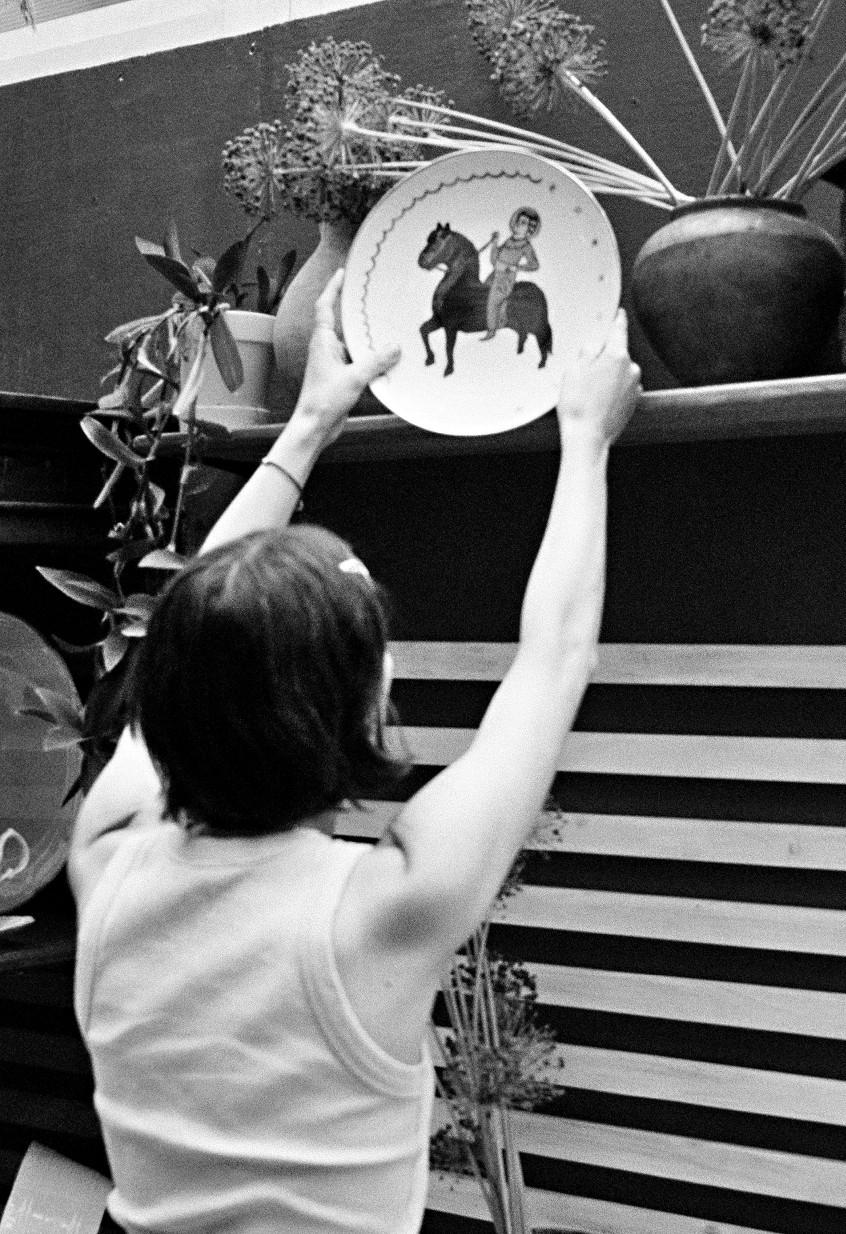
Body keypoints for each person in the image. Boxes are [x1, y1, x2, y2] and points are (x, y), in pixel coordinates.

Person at [69, 269, 641, 1234]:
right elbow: (555, 659)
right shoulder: (386, 906)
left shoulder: (108, 850)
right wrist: (586, 441)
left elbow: (188, 628)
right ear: (365, 711)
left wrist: (308, 424)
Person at [483, 207, 541, 340]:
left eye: (524, 223)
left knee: (493, 301)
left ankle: (492, 330)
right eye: (519, 221)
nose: (519, 224)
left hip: (506, 279)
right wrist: (495, 244)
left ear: (530, 229)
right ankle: (499, 318)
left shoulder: (525, 246)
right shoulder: (509, 241)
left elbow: (534, 264)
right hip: (494, 275)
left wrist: (515, 267)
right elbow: (494, 261)